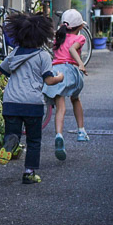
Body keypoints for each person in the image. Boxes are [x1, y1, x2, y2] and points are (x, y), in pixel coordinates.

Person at [0, 12, 62, 184]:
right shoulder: (43, 56)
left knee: (13, 132)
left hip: (11, 102)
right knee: (34, 140)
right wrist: (60, 77)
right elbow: (49, 80)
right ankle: (29, 173)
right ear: (42, 35)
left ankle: (10, 142)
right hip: (32, 104)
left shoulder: (15, 53)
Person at [44, 9, 89, 162]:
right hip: (69, 71)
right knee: (75, 98)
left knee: (60, 108)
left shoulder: (59, 37)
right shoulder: (80, 37)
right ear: (80, 26)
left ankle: (59, 134)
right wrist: (81, 63)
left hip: (55, 71)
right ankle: (81, 131)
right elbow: (72, 49)